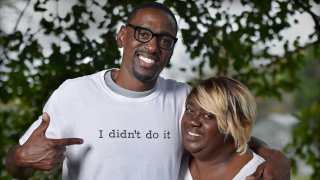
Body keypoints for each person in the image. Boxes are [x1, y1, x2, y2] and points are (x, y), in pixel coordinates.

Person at [5, 2, 289, 180]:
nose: (153, 47)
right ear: (122, 36)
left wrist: (275, 157)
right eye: (143, 33)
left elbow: (229, 135)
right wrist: (19, 159)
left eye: (165, 40)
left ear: (171, 49)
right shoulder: (73, 94)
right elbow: (17, 163)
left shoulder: (183, 99)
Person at [178, 76, 266, 180]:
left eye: (208, 116)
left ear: (239, 125)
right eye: (190, 110)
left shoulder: (262, 174)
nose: (193, 121)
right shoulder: (174, 165)